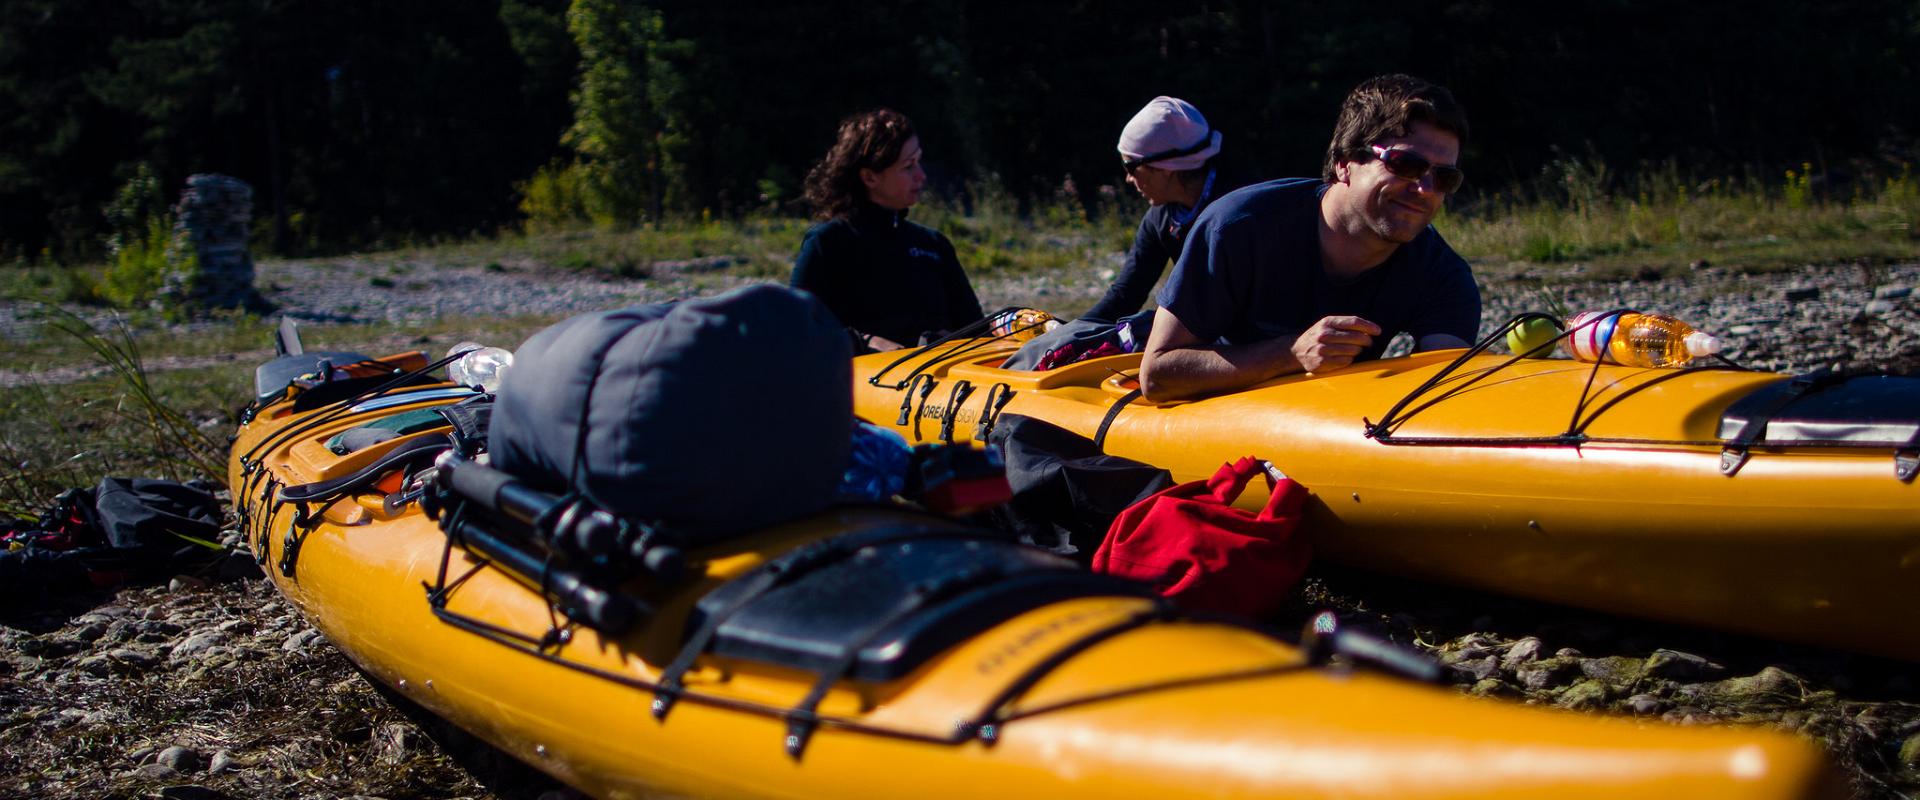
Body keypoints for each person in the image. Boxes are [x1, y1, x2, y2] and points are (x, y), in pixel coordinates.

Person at [1137, 74, 1480, 401]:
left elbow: (1440, 380)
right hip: (1220, 417)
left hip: (1329, 429)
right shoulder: (1239, 227)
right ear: (1345, 162)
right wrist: (1290, 353)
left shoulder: (1444, 275)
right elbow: (1157, 374)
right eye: (1404, 164)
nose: (1424, 189)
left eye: (1445, 177)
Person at [1002, 96, 1248, 371]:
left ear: (1165, 169)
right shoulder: (1161, 217)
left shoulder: (1239, 207)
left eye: (1131, 167)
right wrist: (1067, 335)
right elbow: (1124, 296)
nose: (1129, 179)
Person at [791, 109, 984, 353]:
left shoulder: (933, 245)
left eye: (919, 161)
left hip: (937, 382)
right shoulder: (828, 242)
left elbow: (976, 328)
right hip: (862, 384)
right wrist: (865, 342)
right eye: (908, 166)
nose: (921, 176)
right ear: (870, 177)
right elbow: (796, 329)